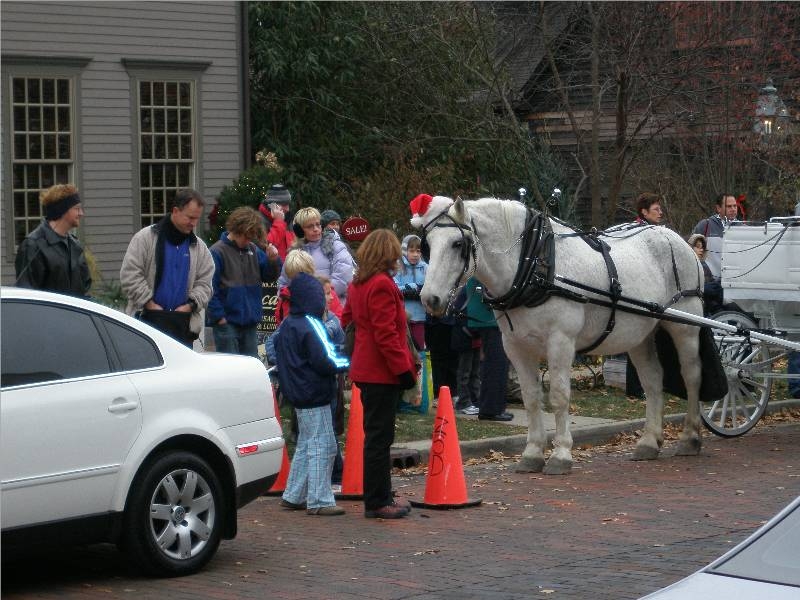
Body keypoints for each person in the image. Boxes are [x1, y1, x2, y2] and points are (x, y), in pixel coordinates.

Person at [342, 229, 416, 519]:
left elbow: (348, 319)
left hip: (365, 367)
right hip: (381, 371)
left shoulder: (358, 283)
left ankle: (381, 495)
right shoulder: (382, 284)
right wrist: (404, 371)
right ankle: (377, 501)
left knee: (376, 436)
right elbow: (387, 335)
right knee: (379, 439)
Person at [273, 272, 350, 516]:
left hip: (298, 393)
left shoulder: (288, 325)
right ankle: (319, 499)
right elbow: (325, 359)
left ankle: (294, 494)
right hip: (315, 392)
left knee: (307, 443)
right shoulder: (312, 325)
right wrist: (346, 362)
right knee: (324, 445)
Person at [120, 188, 214, 348]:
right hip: (147, 321)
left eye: (197, 218)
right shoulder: (145, 239)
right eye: (190, 217)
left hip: (182, 326)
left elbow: (205, 284)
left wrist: (189, 305)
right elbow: (130, 275)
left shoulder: (199, 248)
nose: (194, 223)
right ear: (175, 211)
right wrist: (148, 303)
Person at [207, 207, 282, 357]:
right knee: (230, 369)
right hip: (227, 323)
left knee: (250, 367)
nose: (248, 241)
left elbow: (269, 276)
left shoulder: (253, 249)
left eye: (250, 237)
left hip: (249, 322)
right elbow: (210, 288)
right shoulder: (217, 252)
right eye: (246, 237)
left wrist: (273, 260)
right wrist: (219, 317)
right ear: (236, 230)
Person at [15, 183, 92, 296]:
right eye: (77, 209)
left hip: (73, 313)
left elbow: (85, 287)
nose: (81, 213)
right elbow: (26, 295)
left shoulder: (75, 245)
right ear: (62, 210)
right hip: (46, 314)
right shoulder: (33, 245)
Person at [277, 207, 354, 304]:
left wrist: (315, 296)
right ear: (299, 230)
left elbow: (343, 280)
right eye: (310, 226)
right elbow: (283, 284)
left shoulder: (336, 246)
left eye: (318, 224)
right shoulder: (294, 253)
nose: (316, 229)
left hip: (333, 309)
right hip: (304, 311)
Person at [461, 278, 513, 421]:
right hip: (489, 318)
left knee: (494, 364)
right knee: (497, 364)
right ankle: (491, 410)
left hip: (487, 317)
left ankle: (491, 407)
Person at [394, 234, 428, 350]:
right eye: (411, 251)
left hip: (420, 317)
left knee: (419, 348)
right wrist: (413, 287)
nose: (415, 254)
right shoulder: (397, 267)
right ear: (404, 251)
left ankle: (420, 368)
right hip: (402, 317)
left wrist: (418, 290)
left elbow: (430, 287)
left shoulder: (425, 268)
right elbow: (394, 288)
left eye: (418, 251)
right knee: (405, 348)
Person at [693, 194, 738, 280]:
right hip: (710, 284)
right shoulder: (705, 225)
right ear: (718, 208)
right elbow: (689, 248)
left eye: (735, 206)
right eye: (729, 206)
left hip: (735, 284)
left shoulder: (744, 228)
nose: (733, 209)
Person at [274, 249, 317, 326]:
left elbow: (335, 321)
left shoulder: (322, 293)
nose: (298, 280)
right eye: (293, 276)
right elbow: (279, 322)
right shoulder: (284, 297)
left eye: (303, 275)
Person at [687, 233, 722, 315]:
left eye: (702, 247)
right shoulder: (688, 265)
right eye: (698, 247)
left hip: (712, 305)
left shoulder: (703, 264)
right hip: (698, 308)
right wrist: (703, 289)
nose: (701, 249)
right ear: (691, 247)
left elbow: (711, 281)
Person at [258, 183, 295, 260]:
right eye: (284, 204)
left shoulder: (288, 218)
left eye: (288, 204)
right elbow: (267, 247)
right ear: (272, 205)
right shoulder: (258, 221)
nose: (287, 209)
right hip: (273, 268)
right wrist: (279, 221)